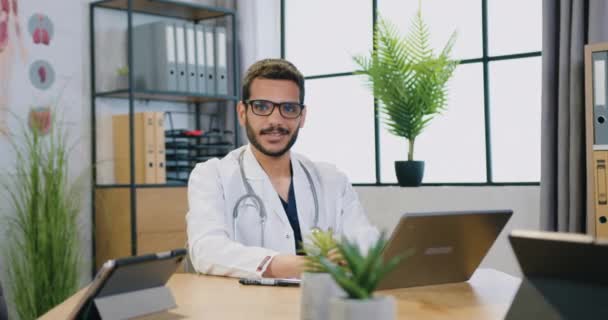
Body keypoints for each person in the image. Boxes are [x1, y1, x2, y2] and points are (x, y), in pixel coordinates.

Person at [186, 59, 378, 279]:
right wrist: (302, 265)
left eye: (288, 108)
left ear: (302, 116)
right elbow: (206, 250)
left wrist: (350, 254)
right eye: (262, 107)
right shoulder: (212, 176)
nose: (275, 120)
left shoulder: (332, 179)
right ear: (242, 113)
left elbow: (366, 241)